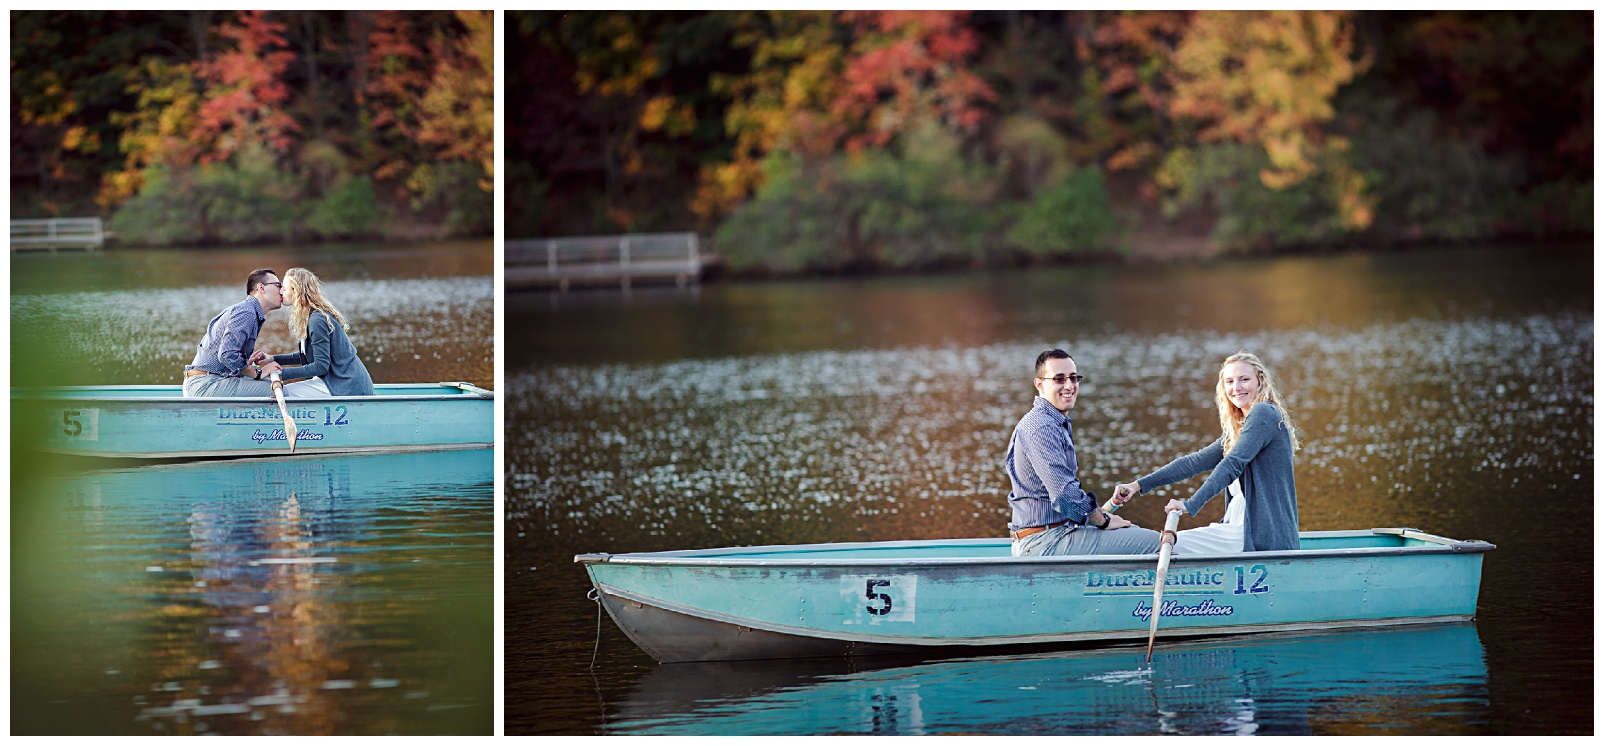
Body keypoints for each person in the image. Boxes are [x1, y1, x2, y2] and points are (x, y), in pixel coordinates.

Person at [1111, 351, 1301, 553]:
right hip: (1236, 529)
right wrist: (1137, 485)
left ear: (1260, 381)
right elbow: (1194, 463)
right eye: (1229, 381)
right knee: (1161, 544)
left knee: (1161, 546)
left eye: (1244, 379)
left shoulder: (1263, 413)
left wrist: (1190, 505)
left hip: (1258, 536)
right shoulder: (1239, 430)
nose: (1236, 388)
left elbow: (1232, 465)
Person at [1006, 349, 1162, 557]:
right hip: (1043, 541)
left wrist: (1102, 512)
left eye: (1073, 378)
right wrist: (1101, 519)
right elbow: (1065, 496)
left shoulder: (1052, 421)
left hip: (1055, 533)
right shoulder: (1042, 427)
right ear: (1039, 384)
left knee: (1131, 532)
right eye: (1059, 379)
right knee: (1156, 543)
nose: (1069, 386)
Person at [251, 267, 375, 397]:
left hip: (345, 385)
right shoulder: (309, 316)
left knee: (284, 393)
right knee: (279, 391)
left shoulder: (317, 320)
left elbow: (321, 366)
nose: (281, 291)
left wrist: (282, 373)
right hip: (334, 381)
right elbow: (306, 356)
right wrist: (272, 359)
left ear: (296, 291)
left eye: (285, 288)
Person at [182, 269, 286, 397]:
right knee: (278, 391)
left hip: (208, 380)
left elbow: (227, 357)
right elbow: (227, 354)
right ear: (261, 288)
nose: (282, 291)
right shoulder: (247, 313)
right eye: (278, 285)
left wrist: (245, 363)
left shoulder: (249, 311)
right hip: (205, 384)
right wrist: (255, 372)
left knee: (270, 383)